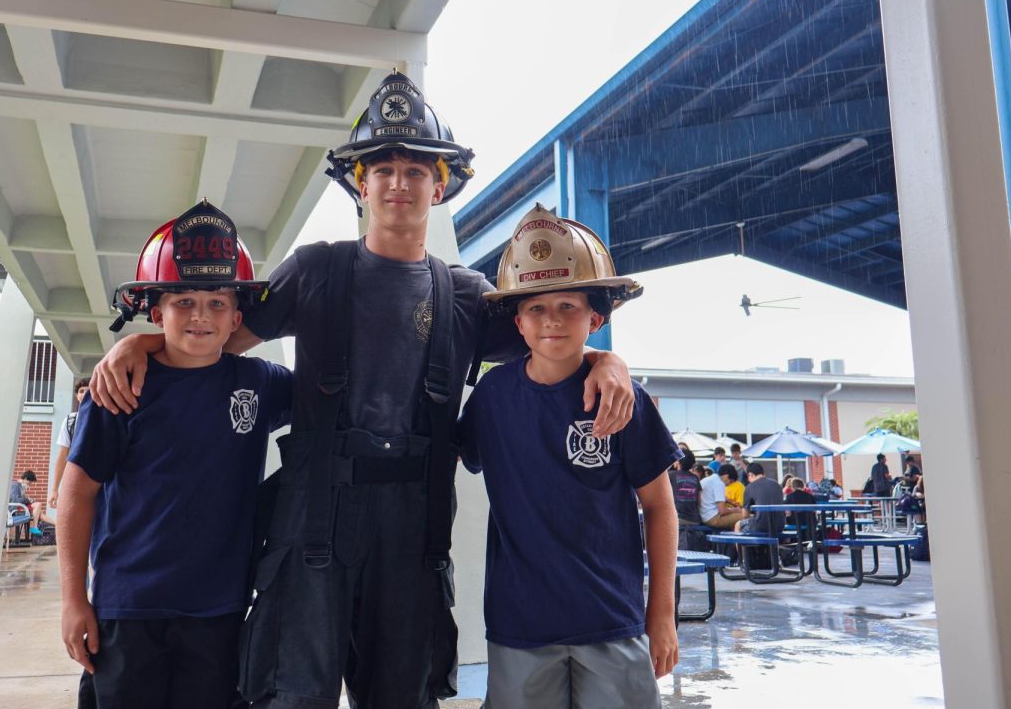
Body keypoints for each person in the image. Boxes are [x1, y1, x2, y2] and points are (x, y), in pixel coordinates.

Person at [87, 72, 637, 709]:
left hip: (414, 534)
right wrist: (140, 342)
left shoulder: (464, 296)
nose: (398, 183)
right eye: (382, 169)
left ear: (441, 183)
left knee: (402, 698)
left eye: (415, 170)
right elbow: (210, 345)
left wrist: (606, 360)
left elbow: (551, 338)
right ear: (359, 181)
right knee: (294, 696)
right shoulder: (313, 271)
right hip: (312, 526)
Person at [58, 201, 292, 708]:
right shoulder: (120, 390)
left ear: (237, 316)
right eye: (183, 301)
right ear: (155, 309)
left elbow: (334, 401)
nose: (200, 315)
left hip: (220, 612)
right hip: (127, 610)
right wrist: (74, 599)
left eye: (216, 302)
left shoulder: (260, 383)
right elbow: (76, 494)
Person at [457, 205, 677, 708]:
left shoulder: (624, 399)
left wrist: (660, 614)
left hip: (611, 619)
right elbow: (449, 453)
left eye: (568, 307)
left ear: (595, 318)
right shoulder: (492, 398)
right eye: (535, 308)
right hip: (520, 624)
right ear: (517, 321)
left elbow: (660, 508)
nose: (551, 320)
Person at [49, 377, 90, 511]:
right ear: (77, 396)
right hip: (75, 476)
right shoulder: (70, 421)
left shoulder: (107, 416)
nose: (85, 394)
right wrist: (55, 489)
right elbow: (63, 455)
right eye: (81, 391)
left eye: (89, 390)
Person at [738, 462, 784, 537]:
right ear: (763, 473)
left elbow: (745, 515)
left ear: (750, 475)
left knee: (738, 525)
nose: (748, 480)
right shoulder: (777, 485)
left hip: (761, 526)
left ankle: (744, 549)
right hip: (779, 526)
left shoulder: (749, 487)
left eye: (748, 477)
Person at [699, 463, 744, 529]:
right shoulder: (719, 483)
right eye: (730, 481)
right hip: (713, 518)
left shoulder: (709, 479)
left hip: (704, 516)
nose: (728, 485)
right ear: (726, 476)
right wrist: (735, 510)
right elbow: (723, 511)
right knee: (748, 516)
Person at [670, 449, 702, 526]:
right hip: (694, 520)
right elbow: (699, 501)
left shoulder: (671, 475)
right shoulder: (695, 478)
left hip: (678, 519)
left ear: (678, 461)